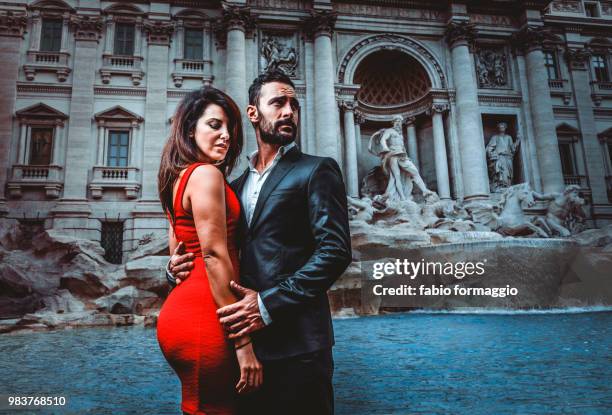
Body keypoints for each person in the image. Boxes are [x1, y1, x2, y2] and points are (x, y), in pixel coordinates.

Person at [166, 69, 352, 414]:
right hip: (244, 346)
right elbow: (214, 252)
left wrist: (267, 304)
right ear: (253, 113)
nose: (289, 111)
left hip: (300, 345)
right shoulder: (230, 185)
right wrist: (175, 268)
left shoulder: (316, 170)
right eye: (278, 102)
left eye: (294, 104)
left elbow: (336, 251)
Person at [156, 87, 263, 415]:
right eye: (215, 125)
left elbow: (179, 252)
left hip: (183, 313)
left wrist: (172, 267)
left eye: (229, 128)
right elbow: (214, 256)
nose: (226, 136)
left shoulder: (178, 177)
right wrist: (243, 343)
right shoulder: (205, 175)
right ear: (190, 129)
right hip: (208, 319)